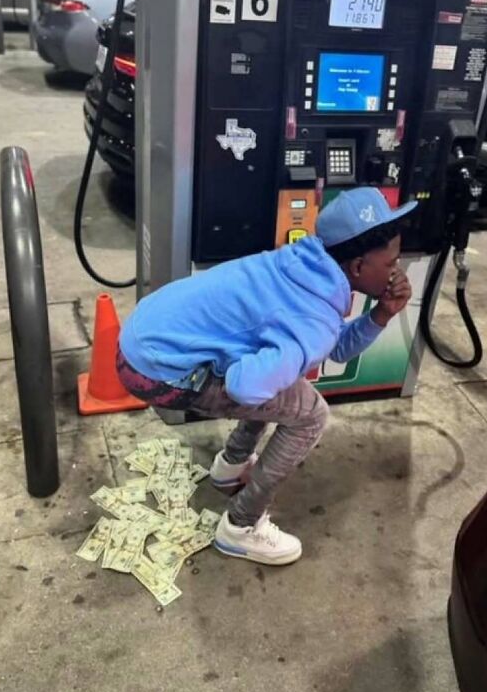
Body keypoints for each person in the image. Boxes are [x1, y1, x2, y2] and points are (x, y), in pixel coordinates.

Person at [116, 187, 415, 566]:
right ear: (357, 267)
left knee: (282, 383)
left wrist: (382, 314)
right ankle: (240, 527)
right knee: (310, 414)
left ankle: (230, 468)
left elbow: (331, 348)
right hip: (158, 371)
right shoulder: (314, 317)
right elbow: (245, 384)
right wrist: (244, 366)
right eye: (391, 264)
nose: (397, 273)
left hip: (140, 336)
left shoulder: (301, 265)